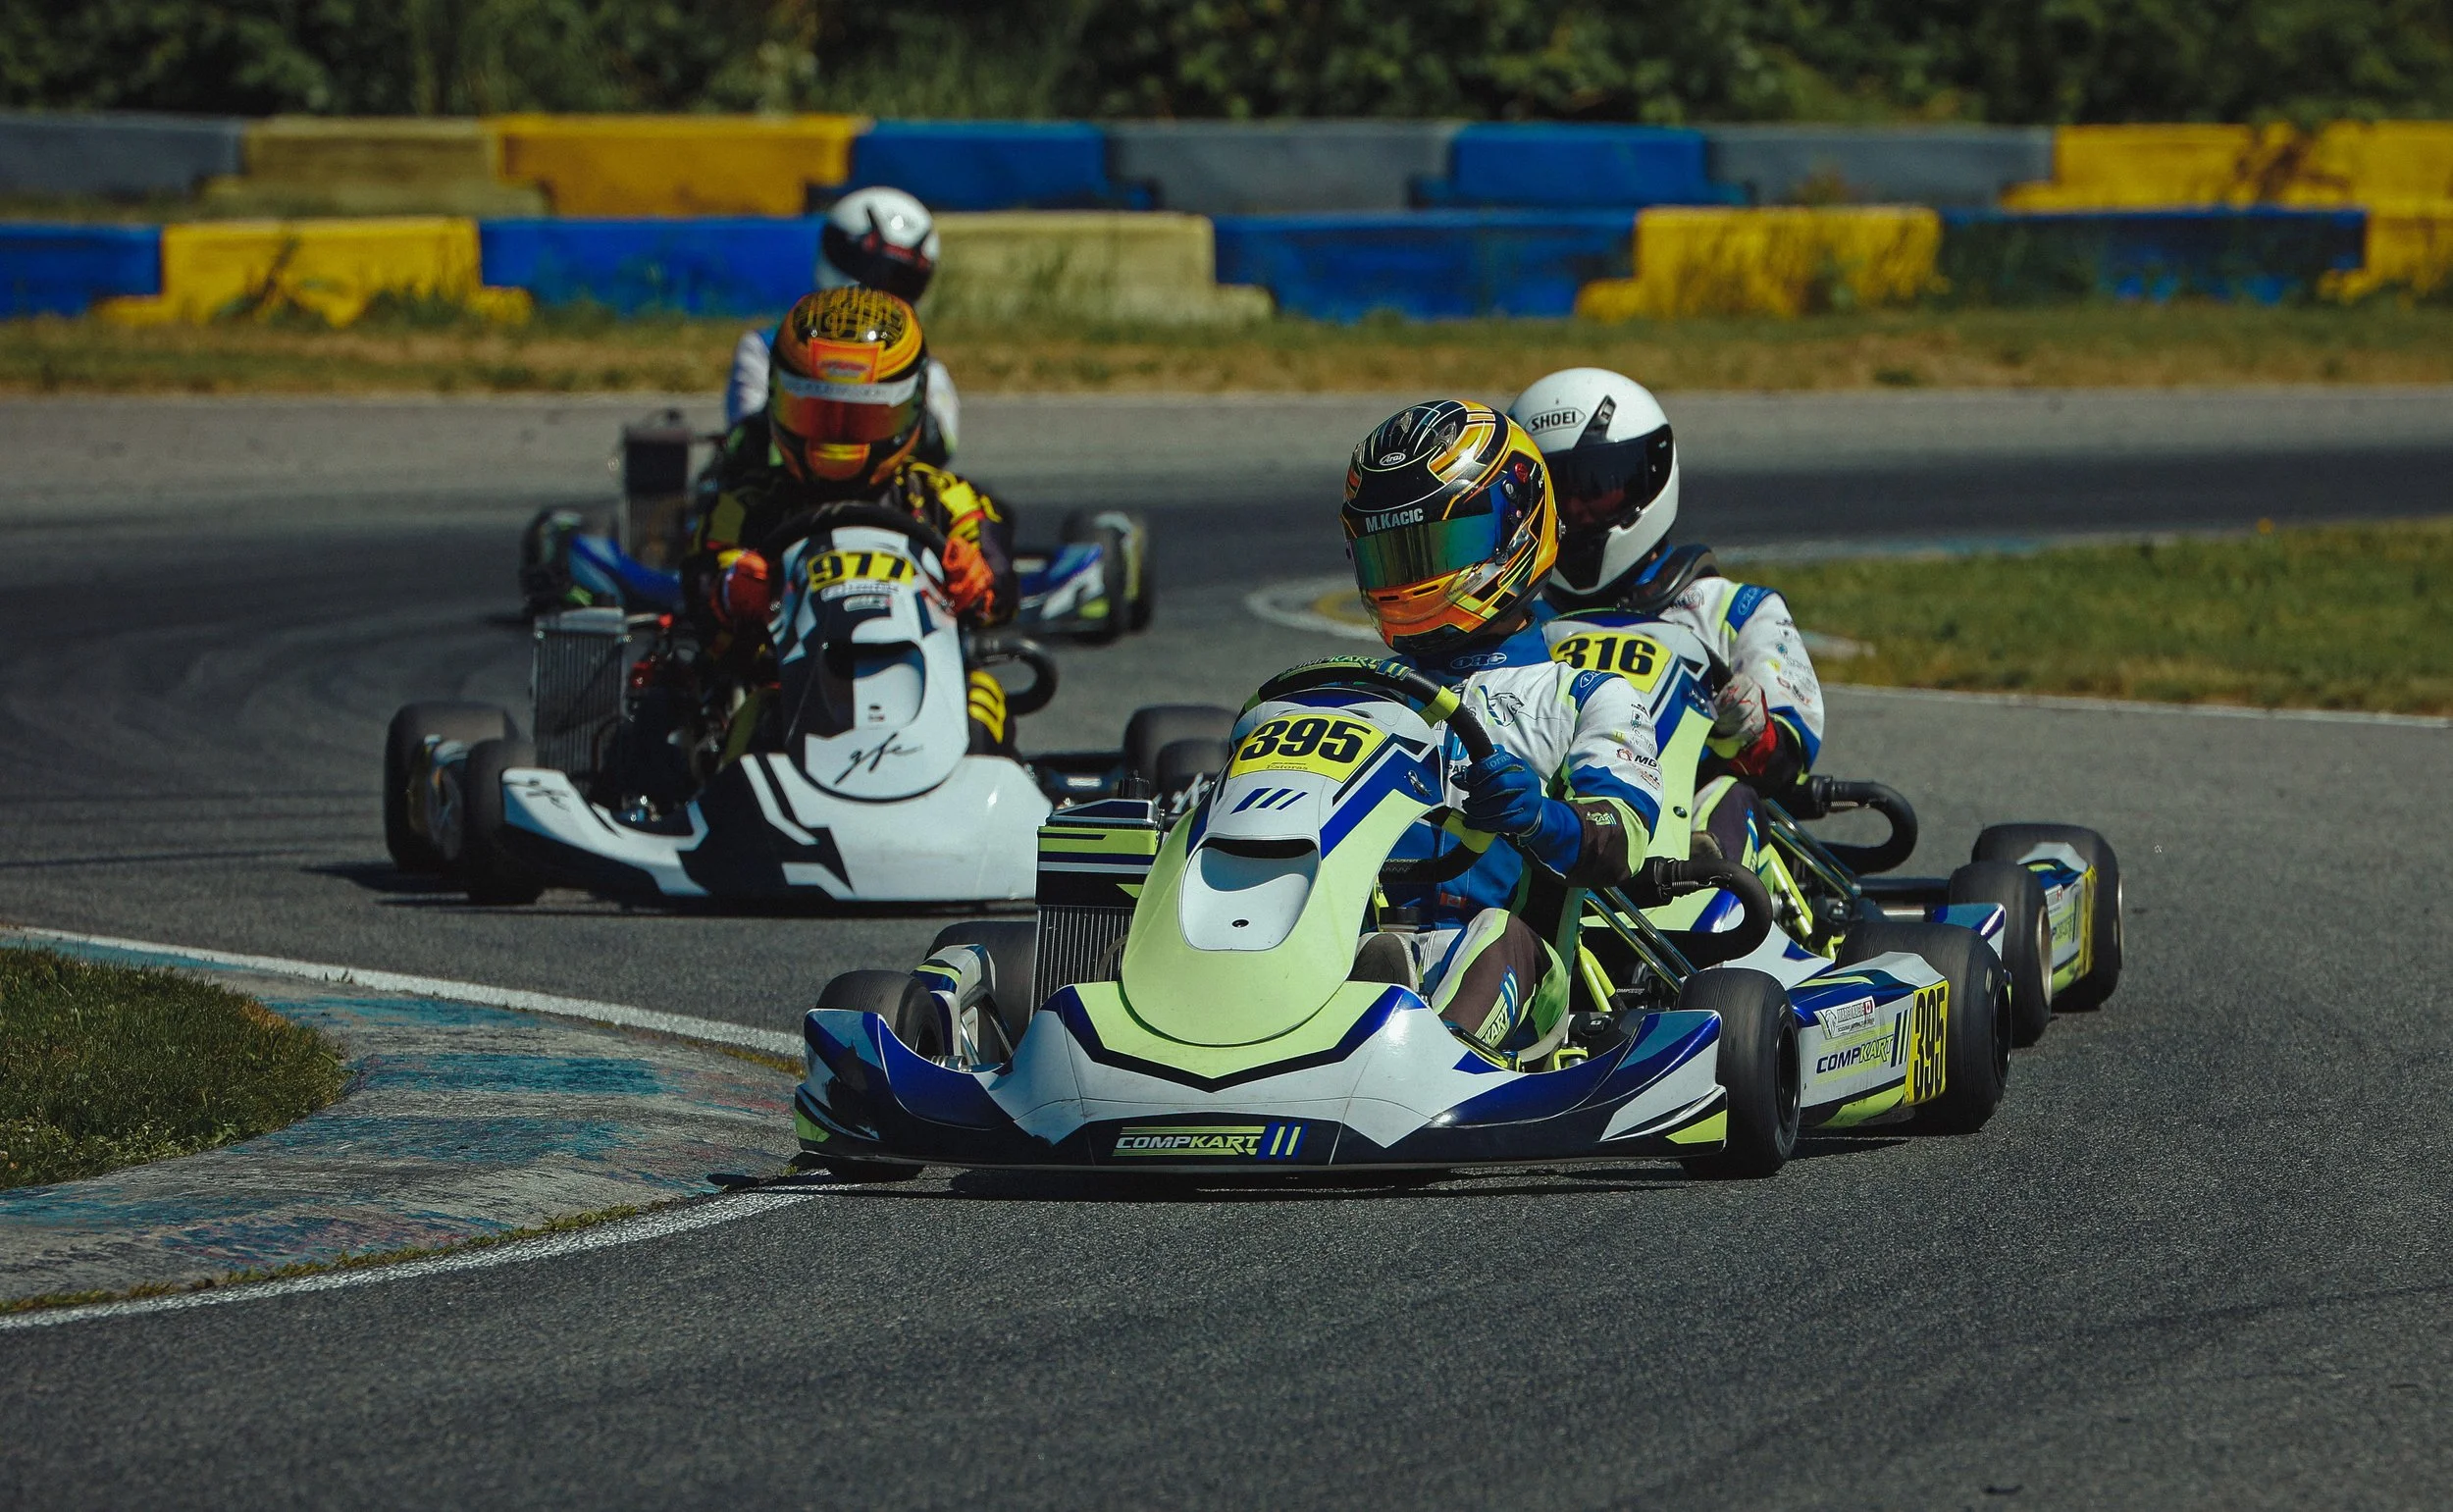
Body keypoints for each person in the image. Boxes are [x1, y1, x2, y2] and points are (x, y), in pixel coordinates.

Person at [1342, 398, 1665, 1067]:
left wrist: (1543, 818)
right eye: (1392, 556)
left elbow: (1622, 839)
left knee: (1495, 934)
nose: (1411, 578)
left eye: (1436, 548)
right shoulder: (1357, 700)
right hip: (1358, 947)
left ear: (1514, 531)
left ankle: (1433, 1064)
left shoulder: (1582, 695)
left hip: (1522, 970)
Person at [617, 287, 1018, 804]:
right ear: (778, 404)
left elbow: (1001, 581)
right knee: (757, 716)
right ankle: (742, 820)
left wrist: (980, 581)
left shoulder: (944, 498)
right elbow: (702, 590)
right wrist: (732, 591)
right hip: (786, 689)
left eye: (861, 420)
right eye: (819, 416)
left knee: (983, 702)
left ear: (911, 410)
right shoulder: (746, 504)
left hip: (924, 692)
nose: (838, 441)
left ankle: (984, 813)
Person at [1507, 367, 1824, 864]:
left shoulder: (1732, 610)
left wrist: (1749, 725)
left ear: (1649, 479)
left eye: (1596, 489)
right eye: (1556, 498)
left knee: (1726, 797)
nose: (1576, 512)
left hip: (1687, 824)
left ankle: (1709, 891)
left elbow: (1789, 760)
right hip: (1558, 820)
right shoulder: (1518, 621)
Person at [724, 187, 962, 466]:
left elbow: (940, 449)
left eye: (900, 281)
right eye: (874, 275)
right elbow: (747, 444)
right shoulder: (767, 349)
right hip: (790, 483)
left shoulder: (922, 370)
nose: (880, 293)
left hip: (884, 485)